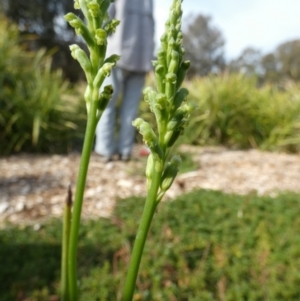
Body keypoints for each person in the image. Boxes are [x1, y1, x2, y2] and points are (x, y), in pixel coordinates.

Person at [94, 0, 155, 162]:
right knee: (129, 108)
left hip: (117, 53)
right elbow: (151, 27)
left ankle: (105, 149)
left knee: (107, 103)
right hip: (142, 58)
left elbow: (106, 17)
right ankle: (125, 150)